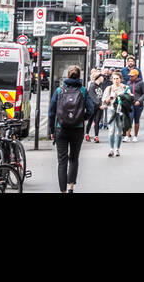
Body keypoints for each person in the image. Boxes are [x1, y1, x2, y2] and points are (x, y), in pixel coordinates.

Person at [48, 65, 96, 194]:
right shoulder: (83, 90)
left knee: (62, 160)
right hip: (77, 129)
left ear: (67, 75)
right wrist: (81, 118)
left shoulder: (59, 91)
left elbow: (52, 112)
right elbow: (91, 110)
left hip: (61, 128)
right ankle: (70, 187)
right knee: (74, 158)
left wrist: (52, 130)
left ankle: (62, 190)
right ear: (79, 76)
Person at [101, 70, 131, 157]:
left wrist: (123, 97)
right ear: (112, 79)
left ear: (121, 79)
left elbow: (130, 99)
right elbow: (104, 101)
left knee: (119, 131)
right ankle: (111, 149)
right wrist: (110, 98)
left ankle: (117, 149)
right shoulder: (109, 88)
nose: (116, 80)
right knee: (111, 130)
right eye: (114, 78)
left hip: (121, 111)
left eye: (117, 78)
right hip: (111, 110)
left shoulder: (125, 88)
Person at [86, 68, 107, 143]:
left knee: (97, 121)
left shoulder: (101, 86)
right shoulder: (92, 86)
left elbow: (102, 96)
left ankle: (96, 136)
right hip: (93, 106)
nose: (103, 78)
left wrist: (103, 103)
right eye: (101, 77)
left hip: (100, 106)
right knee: (90, 120)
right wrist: (99, 105)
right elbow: (93, 97)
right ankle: (87, 134)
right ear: (98, 78)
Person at [127, 68, 144, 141]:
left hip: (138, 104)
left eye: (132, 76)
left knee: (136, 120)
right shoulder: (128, 83)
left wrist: (139, 101)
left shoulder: (141, 83)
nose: (130, 77)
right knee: (129, 119)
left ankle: (135, 136)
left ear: (136, 76)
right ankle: (127, 136)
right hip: (130, 104)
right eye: (130, 76)